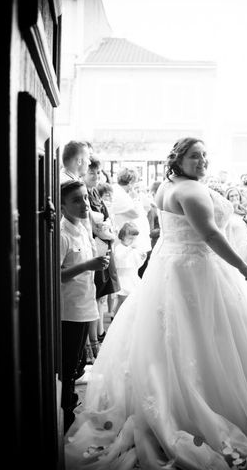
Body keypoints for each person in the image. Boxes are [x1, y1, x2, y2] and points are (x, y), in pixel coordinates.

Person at [64, 137, 247, 469]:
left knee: (167, 343)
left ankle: (165, 399)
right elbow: (211, 236)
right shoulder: (190, 192)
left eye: (204, 154)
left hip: (169, 267)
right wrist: (244, 268)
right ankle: (201, 409)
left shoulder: (167, 186)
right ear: (178, 159)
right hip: (197, 271)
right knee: (205, 340)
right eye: (194, 155)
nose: (202, 160)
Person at [59, 180, 110, 432]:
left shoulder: (82, 227)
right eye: (76, 200)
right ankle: (64, 412)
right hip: (69, 309)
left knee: (77, 362)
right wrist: (88, 266)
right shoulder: (62, 234)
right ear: (63, 205)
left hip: (85, 303)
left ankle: (69, 402)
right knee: (68, 364)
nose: (83, 205)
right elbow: (56, 274)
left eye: (85, 198)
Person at [83, 154, 120, 351]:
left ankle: (99, 334)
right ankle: (93, 341)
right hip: (95, 247)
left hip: (104, 244)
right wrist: (104, 230)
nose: (96, 176)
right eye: (92, 172)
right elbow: (94, 226)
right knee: (96, 294)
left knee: (102, 296)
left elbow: (105, 219)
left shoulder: (95, 193)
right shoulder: (84, 194)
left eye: (98, 172)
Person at [111, 221, 147, 316]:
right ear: (123, 236)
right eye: (130, 238)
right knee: (122, 300)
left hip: (132, 276)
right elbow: (119, 260)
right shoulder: (120, 247)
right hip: (123, 278)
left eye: (134, 239)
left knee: (130, 300)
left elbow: (136, 264)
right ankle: (116, 316)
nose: (132, 241)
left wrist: (142, 258)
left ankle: (122, 316)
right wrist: (130, 249)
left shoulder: (133, 248)